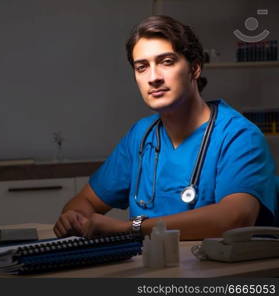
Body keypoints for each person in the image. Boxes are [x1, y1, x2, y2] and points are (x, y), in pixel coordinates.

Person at [53, 15, 278, 240]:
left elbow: (236, 218)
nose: (153, 77)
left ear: (195, 68)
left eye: (167, 62)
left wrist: (129, 228)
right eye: (142, 67)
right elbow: (85, 202)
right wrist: (76, 218)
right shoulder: (140, 137)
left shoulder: (238, 136)